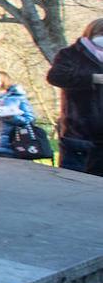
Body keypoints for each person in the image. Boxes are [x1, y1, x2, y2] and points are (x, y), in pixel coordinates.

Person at [47, 18, 103, 176]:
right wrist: (92, 78)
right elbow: (56, 77)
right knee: (76, 178)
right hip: (80, 129)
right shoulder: (71, 54)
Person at [0, 70, 38, 156]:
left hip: (11, 144)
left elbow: (29, 119)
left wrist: (12, 118)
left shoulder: (18, 98)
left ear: (3, 80)